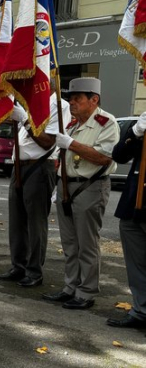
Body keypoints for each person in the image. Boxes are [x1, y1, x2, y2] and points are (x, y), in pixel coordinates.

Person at [42, 78, 118, 310]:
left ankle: (86, 292)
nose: (71, 102)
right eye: (71, 98)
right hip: (67, 186)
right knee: (70, 243)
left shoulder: (107, 123)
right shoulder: (73, 124)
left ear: (94, 100)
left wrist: (71, 144)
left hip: (90, 186)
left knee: (86, 243)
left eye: (78, 98)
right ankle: (70, 287)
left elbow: (104, 157)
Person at [0, 84, 70, 287]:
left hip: (39, 166)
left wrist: (25, 120)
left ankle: (34, 271)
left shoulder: (58, 105)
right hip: (19, 166)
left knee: (35, 223)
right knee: (16, 221)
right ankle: (18, 265)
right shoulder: (31, 104)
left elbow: (47, 142)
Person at [106, 111, 146, 329]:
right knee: (136, 264)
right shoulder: (141, 128)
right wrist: (135, 132)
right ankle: (141, 310)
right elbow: (119, 155)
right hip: (134, 203)